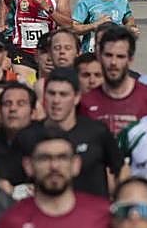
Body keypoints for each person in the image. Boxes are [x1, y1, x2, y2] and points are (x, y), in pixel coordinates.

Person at [18, 67, 122, 199]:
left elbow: (120, 168)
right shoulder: (27, 136)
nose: (56, 101)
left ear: (77, 97)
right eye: (51, 93)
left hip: (93, 215)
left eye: (63, 94)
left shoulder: (97, 132)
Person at [80, 27, 147, 136]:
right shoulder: (84, 102)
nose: (113, 62)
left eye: (120, 56)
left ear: (130, 60)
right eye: (108, 55)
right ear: (99, 56)